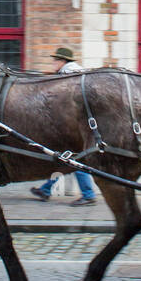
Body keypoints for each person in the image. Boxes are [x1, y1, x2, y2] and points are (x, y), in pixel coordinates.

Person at [30, 47, 98, 206]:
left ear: (62, 61)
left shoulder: (68, 75)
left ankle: (88, 195)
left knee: (73, 160)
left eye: (55, 60)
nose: (53, 63)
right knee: (65, 160)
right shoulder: (74, 73)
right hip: (76, 125)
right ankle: (46, 190)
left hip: (71, 126)